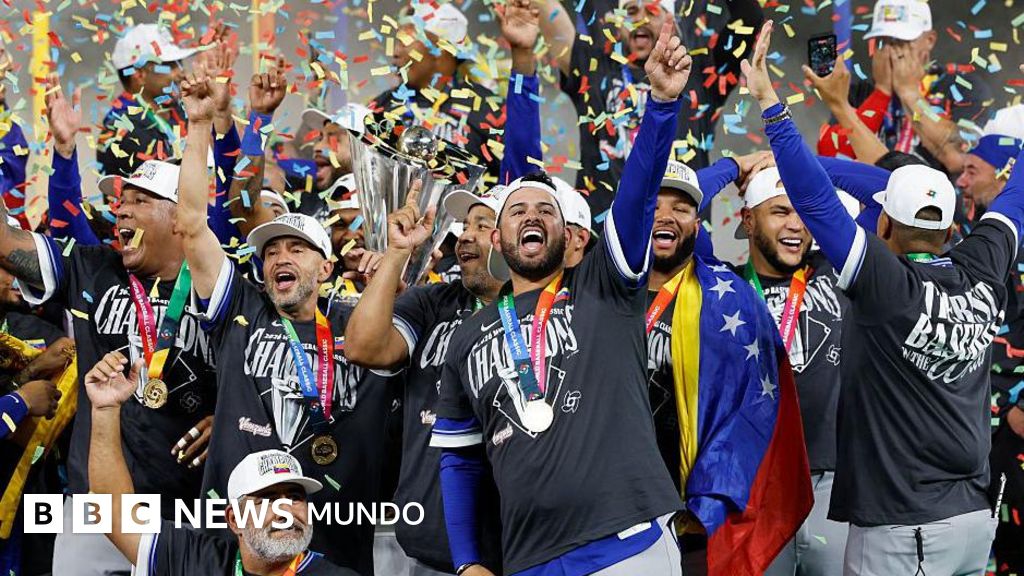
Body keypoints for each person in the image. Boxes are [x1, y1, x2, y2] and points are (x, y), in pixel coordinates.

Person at [744, 20, 1019, 574]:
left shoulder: (886, 285)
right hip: (972, 522)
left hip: (904, 529)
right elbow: (1016, 197)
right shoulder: (984, 261)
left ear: (885, 223)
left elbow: (817, 201)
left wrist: (772, 106)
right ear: (950, 228)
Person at [429, 21, 689, 576]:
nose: (532, 215)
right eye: (516, 211)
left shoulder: (605, 287)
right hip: (529, 560)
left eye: (546, 211)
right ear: (496, 239)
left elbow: (638, 195)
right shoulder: (468, 337)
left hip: (626, 546)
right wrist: (468, 561)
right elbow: (459, 461)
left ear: (570, 239)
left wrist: (662, 105)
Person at [175, 69, 390, 575]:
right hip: (236, 538)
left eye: (296, 249)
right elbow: (190, 224)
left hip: (334, 535)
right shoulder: (241, 309)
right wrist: (201, 125)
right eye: (270, 252)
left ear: (326, 266)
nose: (279, 259)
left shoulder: (360, 328)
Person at [0, 95, 218, 573]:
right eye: (121, 201)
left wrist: (227, 416)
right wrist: (61, 149)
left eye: (141, 201)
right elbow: (4, 243)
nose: (122, 211)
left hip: (185, 507)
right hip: (92, 507)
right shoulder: (91, 268)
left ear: (180, 219)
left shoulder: (222, 289)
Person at [344, 185, 504, 576]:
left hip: (515, 545)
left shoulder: (546, 312)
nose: (465, 234)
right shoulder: (434, 302)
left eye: (482, 225)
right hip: (428, 545)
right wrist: (397, 253)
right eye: (465, 225)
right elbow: (363, 347)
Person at [84, 350, 356, 575]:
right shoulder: (196, 561)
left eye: (295, 497)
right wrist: (105, 409)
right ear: (234, 519)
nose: (285, 510)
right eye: (266, 499)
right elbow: (110, 510)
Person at [540, 0, 763, 217]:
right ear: (619, 23)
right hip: (604, 240)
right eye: (631, 10)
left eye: (653, 10)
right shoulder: (593, 68)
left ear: (672, 22)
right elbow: (548, 12)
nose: (640, 17)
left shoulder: (700, 73)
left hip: (678, 238)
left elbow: (749, 18)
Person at [953, 106, 1024, 576]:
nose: (960, 181)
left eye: (971, 169)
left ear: (1006, 173)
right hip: (982, 425)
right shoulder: (970, 234)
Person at [815, 0, 991, 175]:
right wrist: (881, 92)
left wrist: (909, 93)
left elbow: (960, 160)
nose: (892, 51)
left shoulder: (962, 87)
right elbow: (834, 158)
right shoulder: (858, 93)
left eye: (901, 42)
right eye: (884, 42)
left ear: (929, 40)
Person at [371, 0, 502, 180]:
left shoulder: (488, 109)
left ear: (440, 50)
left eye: (405, 41)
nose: (395, 52)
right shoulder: (383, 106)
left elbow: (513, 178)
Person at [98, 23, 198, 178]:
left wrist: (219, 106)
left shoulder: (176, 110)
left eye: (179, 63)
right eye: (170, 65)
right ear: (139, 75)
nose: (182, 73)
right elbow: (173, 189)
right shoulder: (123, 130)